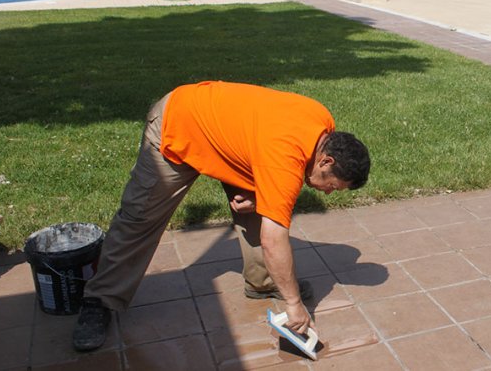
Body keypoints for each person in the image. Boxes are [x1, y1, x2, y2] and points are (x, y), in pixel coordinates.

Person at [72, 81, 370, 352]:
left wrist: (261, 195)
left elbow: (265, 150)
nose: (328, 193)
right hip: (179, 125)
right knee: (140, 218)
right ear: (326, 159)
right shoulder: (285, 157)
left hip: (236, 140)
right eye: (332, 185)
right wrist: (294, 304)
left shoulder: (323, 126)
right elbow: (273, 238)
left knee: (264, 206)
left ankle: (263, 281)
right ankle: (100, 299)